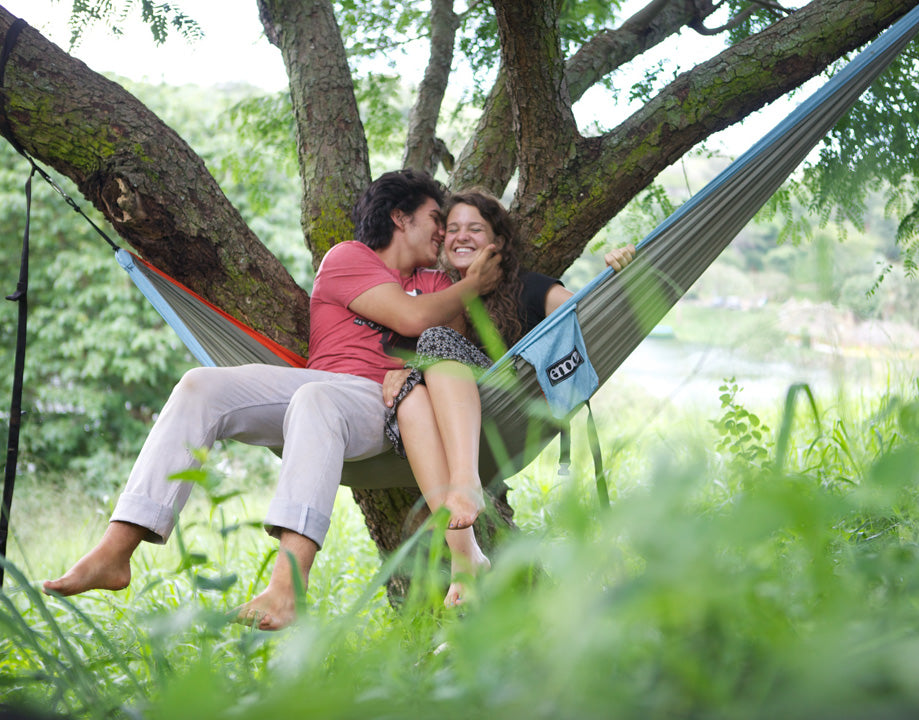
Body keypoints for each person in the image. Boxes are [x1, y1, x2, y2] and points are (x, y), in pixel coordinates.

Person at [43, 170, 503, 630]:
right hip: (318, 383)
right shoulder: (350, 258)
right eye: (435, 217)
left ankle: (287, 589)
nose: (443, 230)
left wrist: (455, 304)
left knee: (314, 398)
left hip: (378, 406)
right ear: (400, 217)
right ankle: (116, 549)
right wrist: (474, 284)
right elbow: (411, 316)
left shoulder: (441, 285)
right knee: (201, 384)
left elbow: (447, 353)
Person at [381, 189, 634, 606]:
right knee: (412, 383)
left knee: (435, 339)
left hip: (508, 408)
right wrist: (401, 375)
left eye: (475, 228)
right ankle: (466, 562)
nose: (461, 236)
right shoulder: (442, 297)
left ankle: (466, 485)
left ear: (496, 241)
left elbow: (591, 319)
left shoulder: (528, 289)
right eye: (454, 229)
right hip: (450, 422)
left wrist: (617, 273)